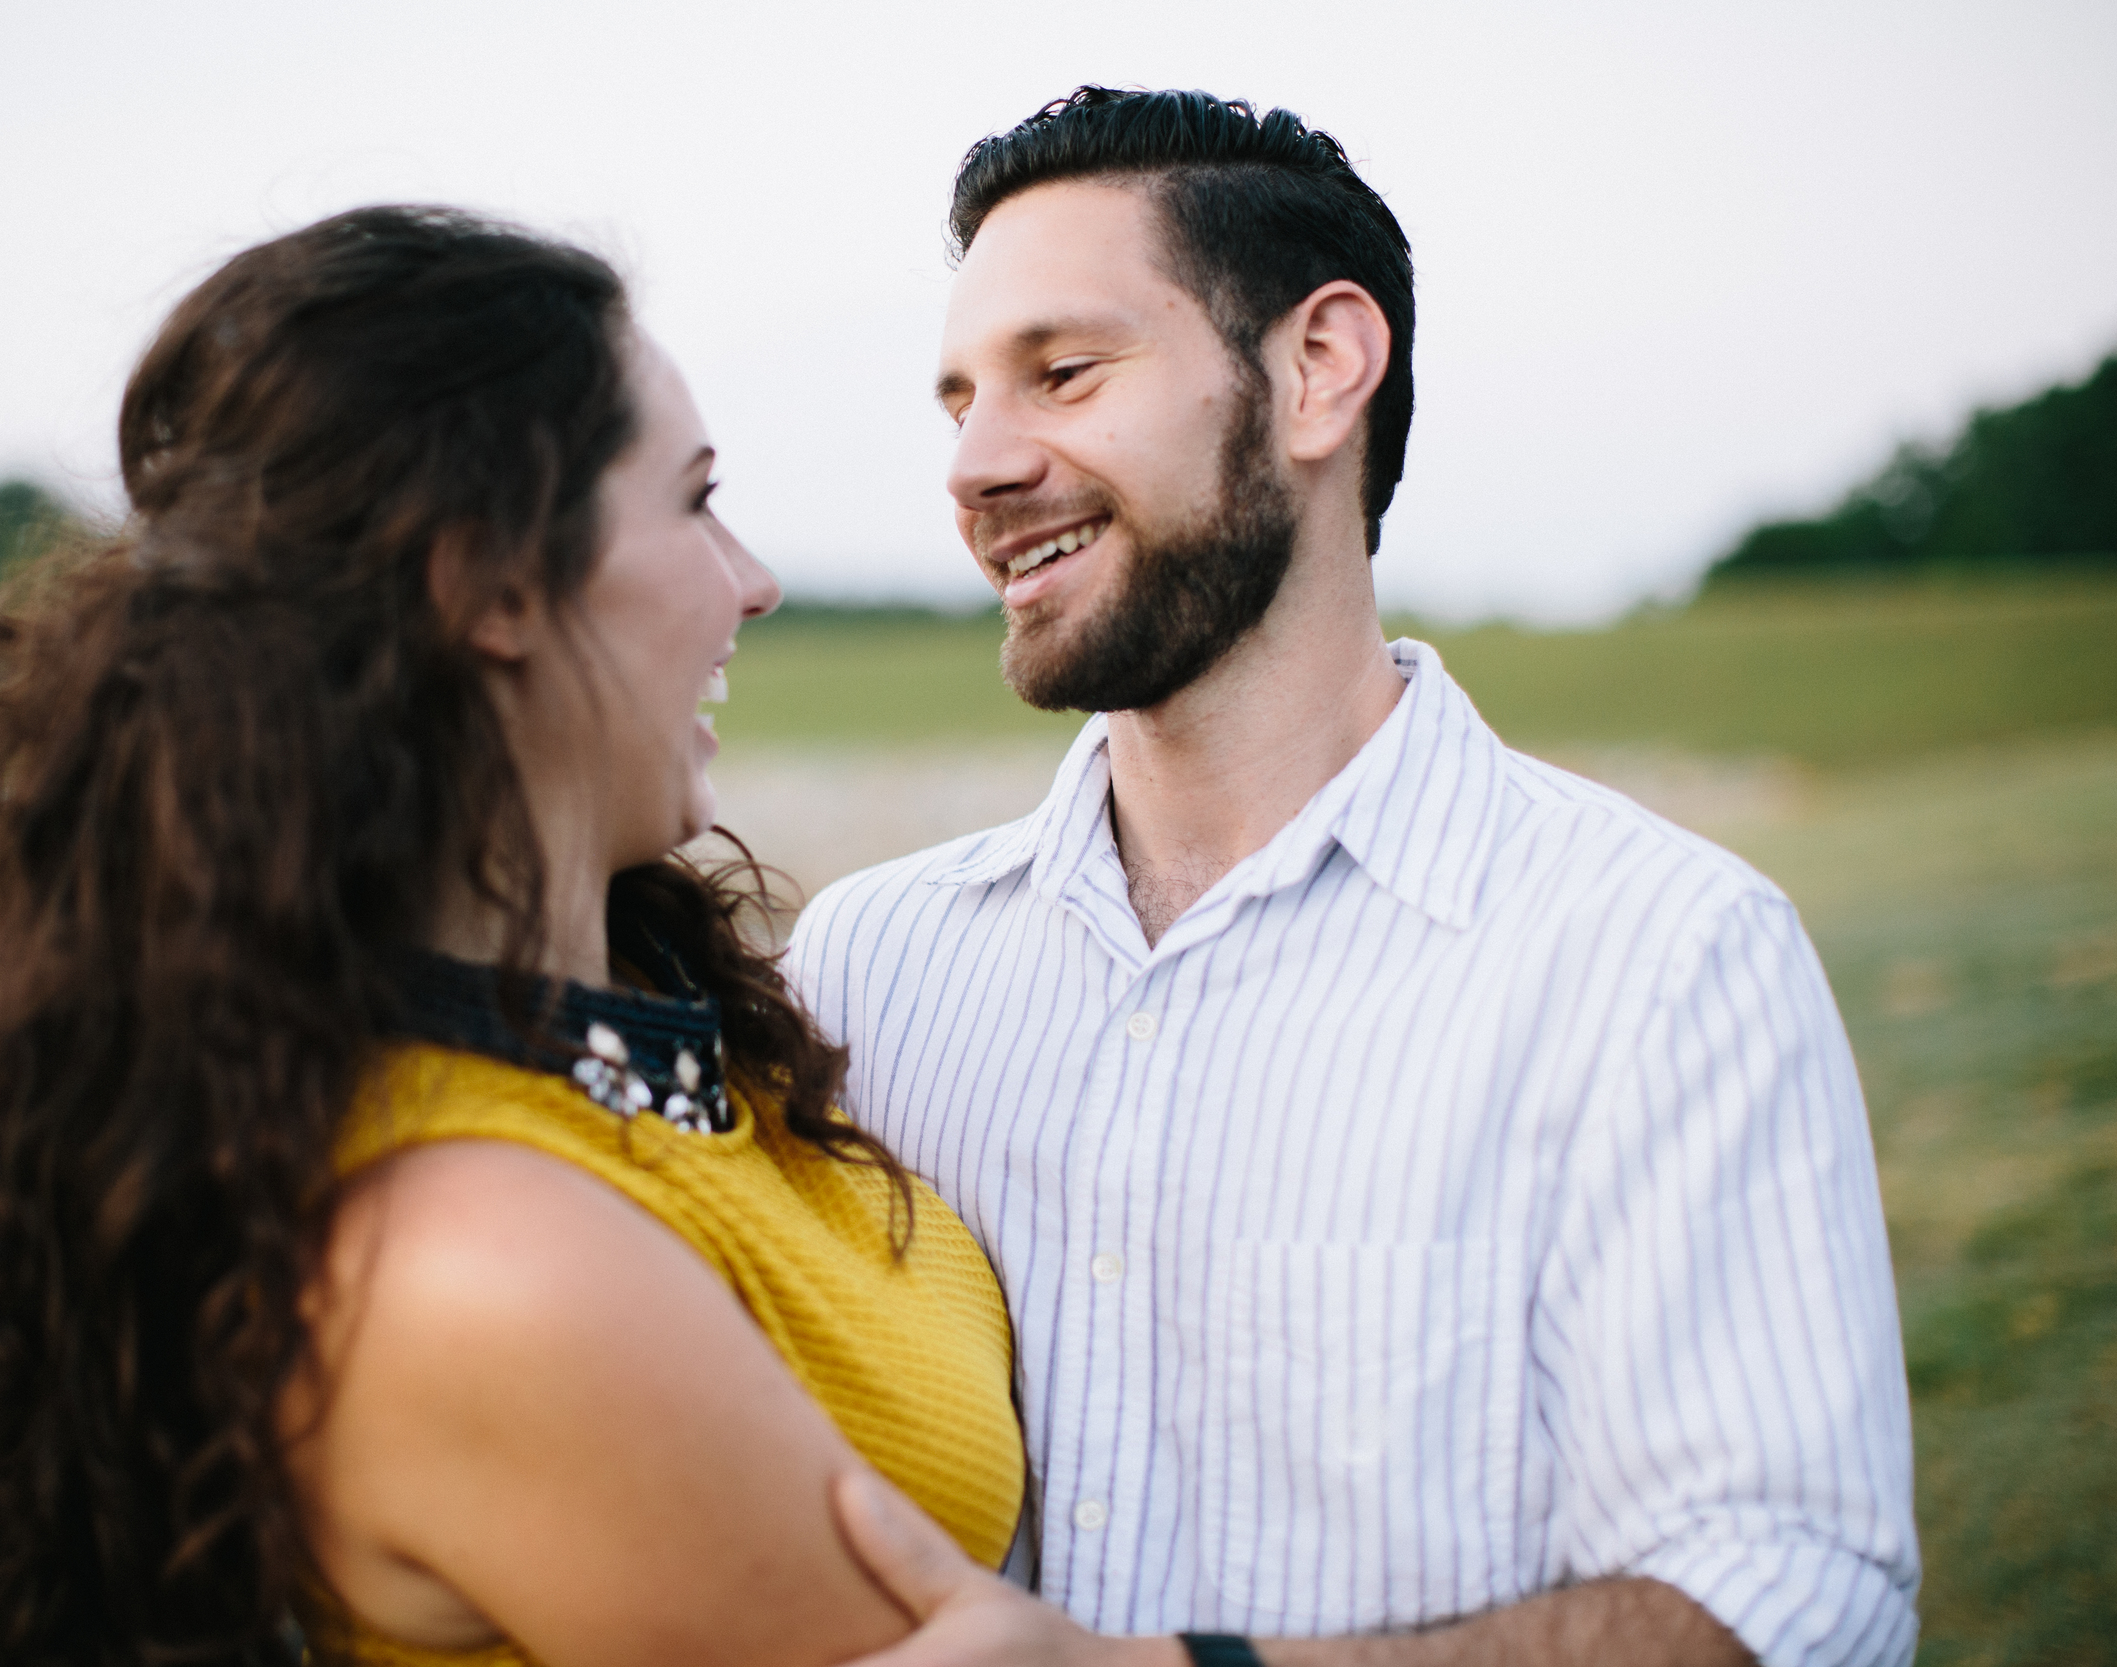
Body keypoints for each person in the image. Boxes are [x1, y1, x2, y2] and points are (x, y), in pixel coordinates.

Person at [0, 206, 1023, 1667]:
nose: (749, 579)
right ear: (487, 586)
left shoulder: (651, 1014)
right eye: (695, 502)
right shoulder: (483, 1265)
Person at [789, 89, 1919, 1667]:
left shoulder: (1661, 955)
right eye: (959, 399)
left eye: (1063, 373)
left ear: (1319, 368)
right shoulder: (866, 967)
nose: (977, 466)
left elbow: (1793, 1596)